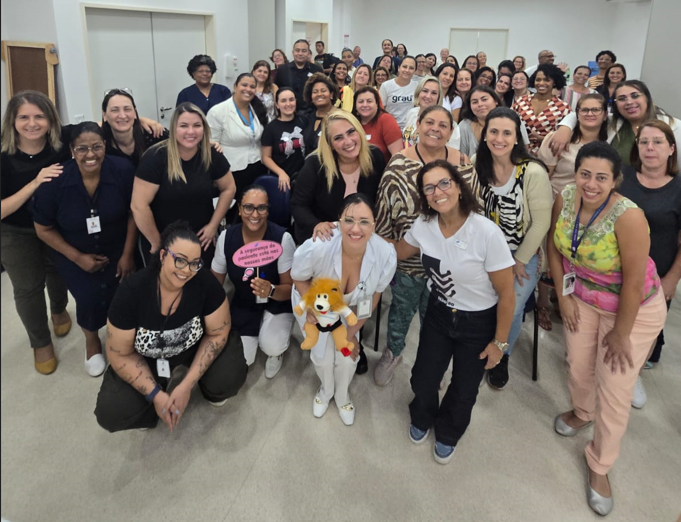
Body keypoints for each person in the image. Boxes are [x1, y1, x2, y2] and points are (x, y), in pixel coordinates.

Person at [547, 142, 667, 516]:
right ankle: (582, 412)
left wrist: (621, 332)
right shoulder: (566, 197)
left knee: (615, 387)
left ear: (616, 180)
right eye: (585, 174)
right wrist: (563, 297)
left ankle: (600, 464)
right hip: (582, 298)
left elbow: (634, 281)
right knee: (578, 365)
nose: (591, 184)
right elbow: (553, 246)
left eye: (601, 177)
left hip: (632, 311)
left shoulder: (628, 216)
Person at [391, 160, 515, 463]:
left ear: (459, 187)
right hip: (439, 312)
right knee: (423, 377)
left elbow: (507, 295)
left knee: (464, 388)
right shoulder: (424, 225)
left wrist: (499, 344)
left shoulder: (486, 233)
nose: (438, 192)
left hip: (478, 321)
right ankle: (422, 416)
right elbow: (398, 251)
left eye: (444, 183)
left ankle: (448, 431)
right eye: (429, 188)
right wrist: (356, 232)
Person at [94, 221, 248, 433]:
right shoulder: (132, 291)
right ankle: (148, 409)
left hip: (194, 347)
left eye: (194, 263)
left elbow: (219, 332)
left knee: (229, 376)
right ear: (163, 255)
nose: (187, 270)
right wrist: (155, 394)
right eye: (180, 260)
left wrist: (187, 385)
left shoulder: (204, 282)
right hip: (148, 358)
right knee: (112, 410)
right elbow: (119, 354)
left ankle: (208, 387)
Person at [374, 106, 477, 387]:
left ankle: (435, 362)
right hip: (406, 261)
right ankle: (393, 352)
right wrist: (391, 252)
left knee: (440, 318)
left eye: (443, 125)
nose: (435, 129)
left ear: (452, 131)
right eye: (429, 122)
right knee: (400, 310)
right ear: (417, 125)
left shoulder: (463, 165)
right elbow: (383, 216)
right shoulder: (398, 164)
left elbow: (473, 212)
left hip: (448, 263)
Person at [32, 122, 137, 377]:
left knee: (123, 293)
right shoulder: (55, 182)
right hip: (72, 251)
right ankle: (92, 341)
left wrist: (127, 255)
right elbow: (43, 228)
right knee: (88, 298)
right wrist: (77, 258)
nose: (90, 154)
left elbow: (134, 213)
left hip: (117, 247)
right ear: (71, 150)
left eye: (97, 147)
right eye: (82, 149)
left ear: (105, 146)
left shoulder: (122, 170)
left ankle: (122, 336)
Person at [291, 193, 397, 425]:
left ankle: (342, 397)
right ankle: (325, 391)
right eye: (349, 220)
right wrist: (310, 307)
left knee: (348, 358)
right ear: (338, 221)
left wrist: (351, 334)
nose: (355, 229)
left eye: (364, 221)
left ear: (374, 225)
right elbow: (298, 276)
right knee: (322, 357)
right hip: (315, 304)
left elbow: (374, 296)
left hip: (350, 311)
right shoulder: (320, 245)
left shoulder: (385, 254)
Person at [474, 107, 553, 390]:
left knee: (514, 304)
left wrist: (518, 260)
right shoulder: (476, 164)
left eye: (507, 133)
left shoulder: (532, 171)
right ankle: (478, 342)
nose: (499, 138)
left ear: (517, 137)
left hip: (522, 253)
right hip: (483, 251)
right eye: (493, 132)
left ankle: (502, 352)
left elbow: (541, 222)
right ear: (485, 135)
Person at [1, 90, 72, 374]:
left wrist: (144, 120)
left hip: (54, 224)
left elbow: (102, 124)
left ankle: (59, 309)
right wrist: (35, 182)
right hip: (15, 230)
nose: (32, 123)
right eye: (24, 117)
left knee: (58, 270)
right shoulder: (3, 155)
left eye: (39, 116)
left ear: (51, 119)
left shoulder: (61, 141)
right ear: (12, 121)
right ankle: (40, 342)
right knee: (28, 287)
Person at [536, 94, 609, 330]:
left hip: (591, 211)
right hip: (556, 203)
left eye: (595, 109)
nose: (590, 114)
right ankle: (542, 302)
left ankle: (562, 296)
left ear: (604, 114)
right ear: (576, 114)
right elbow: (544, 175)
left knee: (573, 254)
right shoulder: (559, 140)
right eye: (584, 110)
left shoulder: (609, 143)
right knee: (549, 252)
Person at [132, 102, 236, 267]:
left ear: (204, 128)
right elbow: (139, 206)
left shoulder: (211, 155)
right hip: (163, 240)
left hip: (201, 239)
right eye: (184, 126)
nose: (191, 131)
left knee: (200, 282)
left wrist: (213, 225)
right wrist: (157, 243)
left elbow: (229, 188)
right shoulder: (155, 157)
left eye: (197, 125)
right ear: (173, 128)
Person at [619, 121, 681, 398]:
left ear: (671, 148)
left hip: (657, 275)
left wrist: (672, 279)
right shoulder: (622, 176)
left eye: (657, 142)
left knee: (644, 330)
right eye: (644, 142)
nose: (650, 148)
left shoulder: (678, 188)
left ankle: (635, 376)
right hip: (614, 269)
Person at [211, 186, 295, 377]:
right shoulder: (226, 237)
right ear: (240, 210)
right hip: (244, 302)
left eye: (261, 208)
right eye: (248, 207)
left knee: (272, 346)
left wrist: (271, 290)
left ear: (268, 210)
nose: (255, 214)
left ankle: (276, 351)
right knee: (243, 359)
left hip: (276, 301)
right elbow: (215, 282)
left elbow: (291, 290)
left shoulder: (283, 238)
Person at [291, 110, 386, 244]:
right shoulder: (315, 164)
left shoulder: (375, 157)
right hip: (327, 238)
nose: (348, 141)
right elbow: (298, 205)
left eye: (351, 132)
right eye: (338, 138)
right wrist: (316, 224)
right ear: (330, 144)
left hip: (363, 235)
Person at [552, 80, 681, 166]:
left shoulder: (674, 127)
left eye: (635, 95)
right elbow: (582, 114)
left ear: (647, 98)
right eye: (622, 98)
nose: (629, 102)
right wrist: (565, 128)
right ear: (616, 104)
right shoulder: (614, 123)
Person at [207, 72, 268, 221]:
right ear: (235, 87)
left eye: (252, 86)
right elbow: (210, 144)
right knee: (235, 215)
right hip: (232, 171)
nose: (248, 89)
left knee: (254, 211)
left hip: (257, 167)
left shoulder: (257, 109)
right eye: (244, 85)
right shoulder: (218, 111)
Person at [512, 63, 571, 155]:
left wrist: (541, 138)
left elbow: (565, 138)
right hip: (518, 153)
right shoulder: (521, 101)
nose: (541, 83)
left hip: (546, 155)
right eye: (538, 80)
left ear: (554, 82)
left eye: (547, 80)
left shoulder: (563, 108)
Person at [102, 89, 169, 168]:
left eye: (127, 109)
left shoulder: (154, 134)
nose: (122, 116)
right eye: (115, 110)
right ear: (104, 115)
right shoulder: (101, 143)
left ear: (135, 112)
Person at [459, 86, 529, 157]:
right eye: (475, 102)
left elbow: (524, 151)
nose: (480, 104)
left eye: (484, 99)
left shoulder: (513, 120)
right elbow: (462, 157)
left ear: (496, 101)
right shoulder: (464, 125)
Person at [261, 87, 308, 191]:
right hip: (283, 180)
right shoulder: (270, 128)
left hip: (304, 177)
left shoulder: (304, 120)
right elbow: (266, 157)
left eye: (291, 100)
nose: (288, 104)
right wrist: (281, 173)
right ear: (277, 105)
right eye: (283, 101)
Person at [401, 77, 461, 150]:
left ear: (439, 97)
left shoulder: (449, 123)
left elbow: (452, 153)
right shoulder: (412, 113)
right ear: (418, 93)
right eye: (425, 91)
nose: (428, 96)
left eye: (434, 93)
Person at [352, 86, 402, 162]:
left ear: (377, 104)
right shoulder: (351, 122)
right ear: (355, 105)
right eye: (361, 101)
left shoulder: (386, 120)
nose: (365, 105)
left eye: (369, 101)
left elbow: (397, 156)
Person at [275, 40, 324, 112]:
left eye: (304, 51)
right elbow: (278, 92)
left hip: (312, 112)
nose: (300, 53)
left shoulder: (317, 70)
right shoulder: (283, 70)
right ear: (293, 52)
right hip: (288, 111)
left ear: (308, 53)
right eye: (297, 50)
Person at [300, 73, 340, 154]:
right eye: (315, 92)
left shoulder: (340, 117)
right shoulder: (307, 117)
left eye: (323, 91)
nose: (319, 94)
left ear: (331, 94)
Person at [379, 56, 418, 130]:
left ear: (415, 71)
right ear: (399, 68)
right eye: (404, 67)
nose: (407, 70)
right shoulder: (386, 86)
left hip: (410, 128)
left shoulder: (417, 86)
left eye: (411, 68)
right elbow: (380, 110)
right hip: (390, 127)